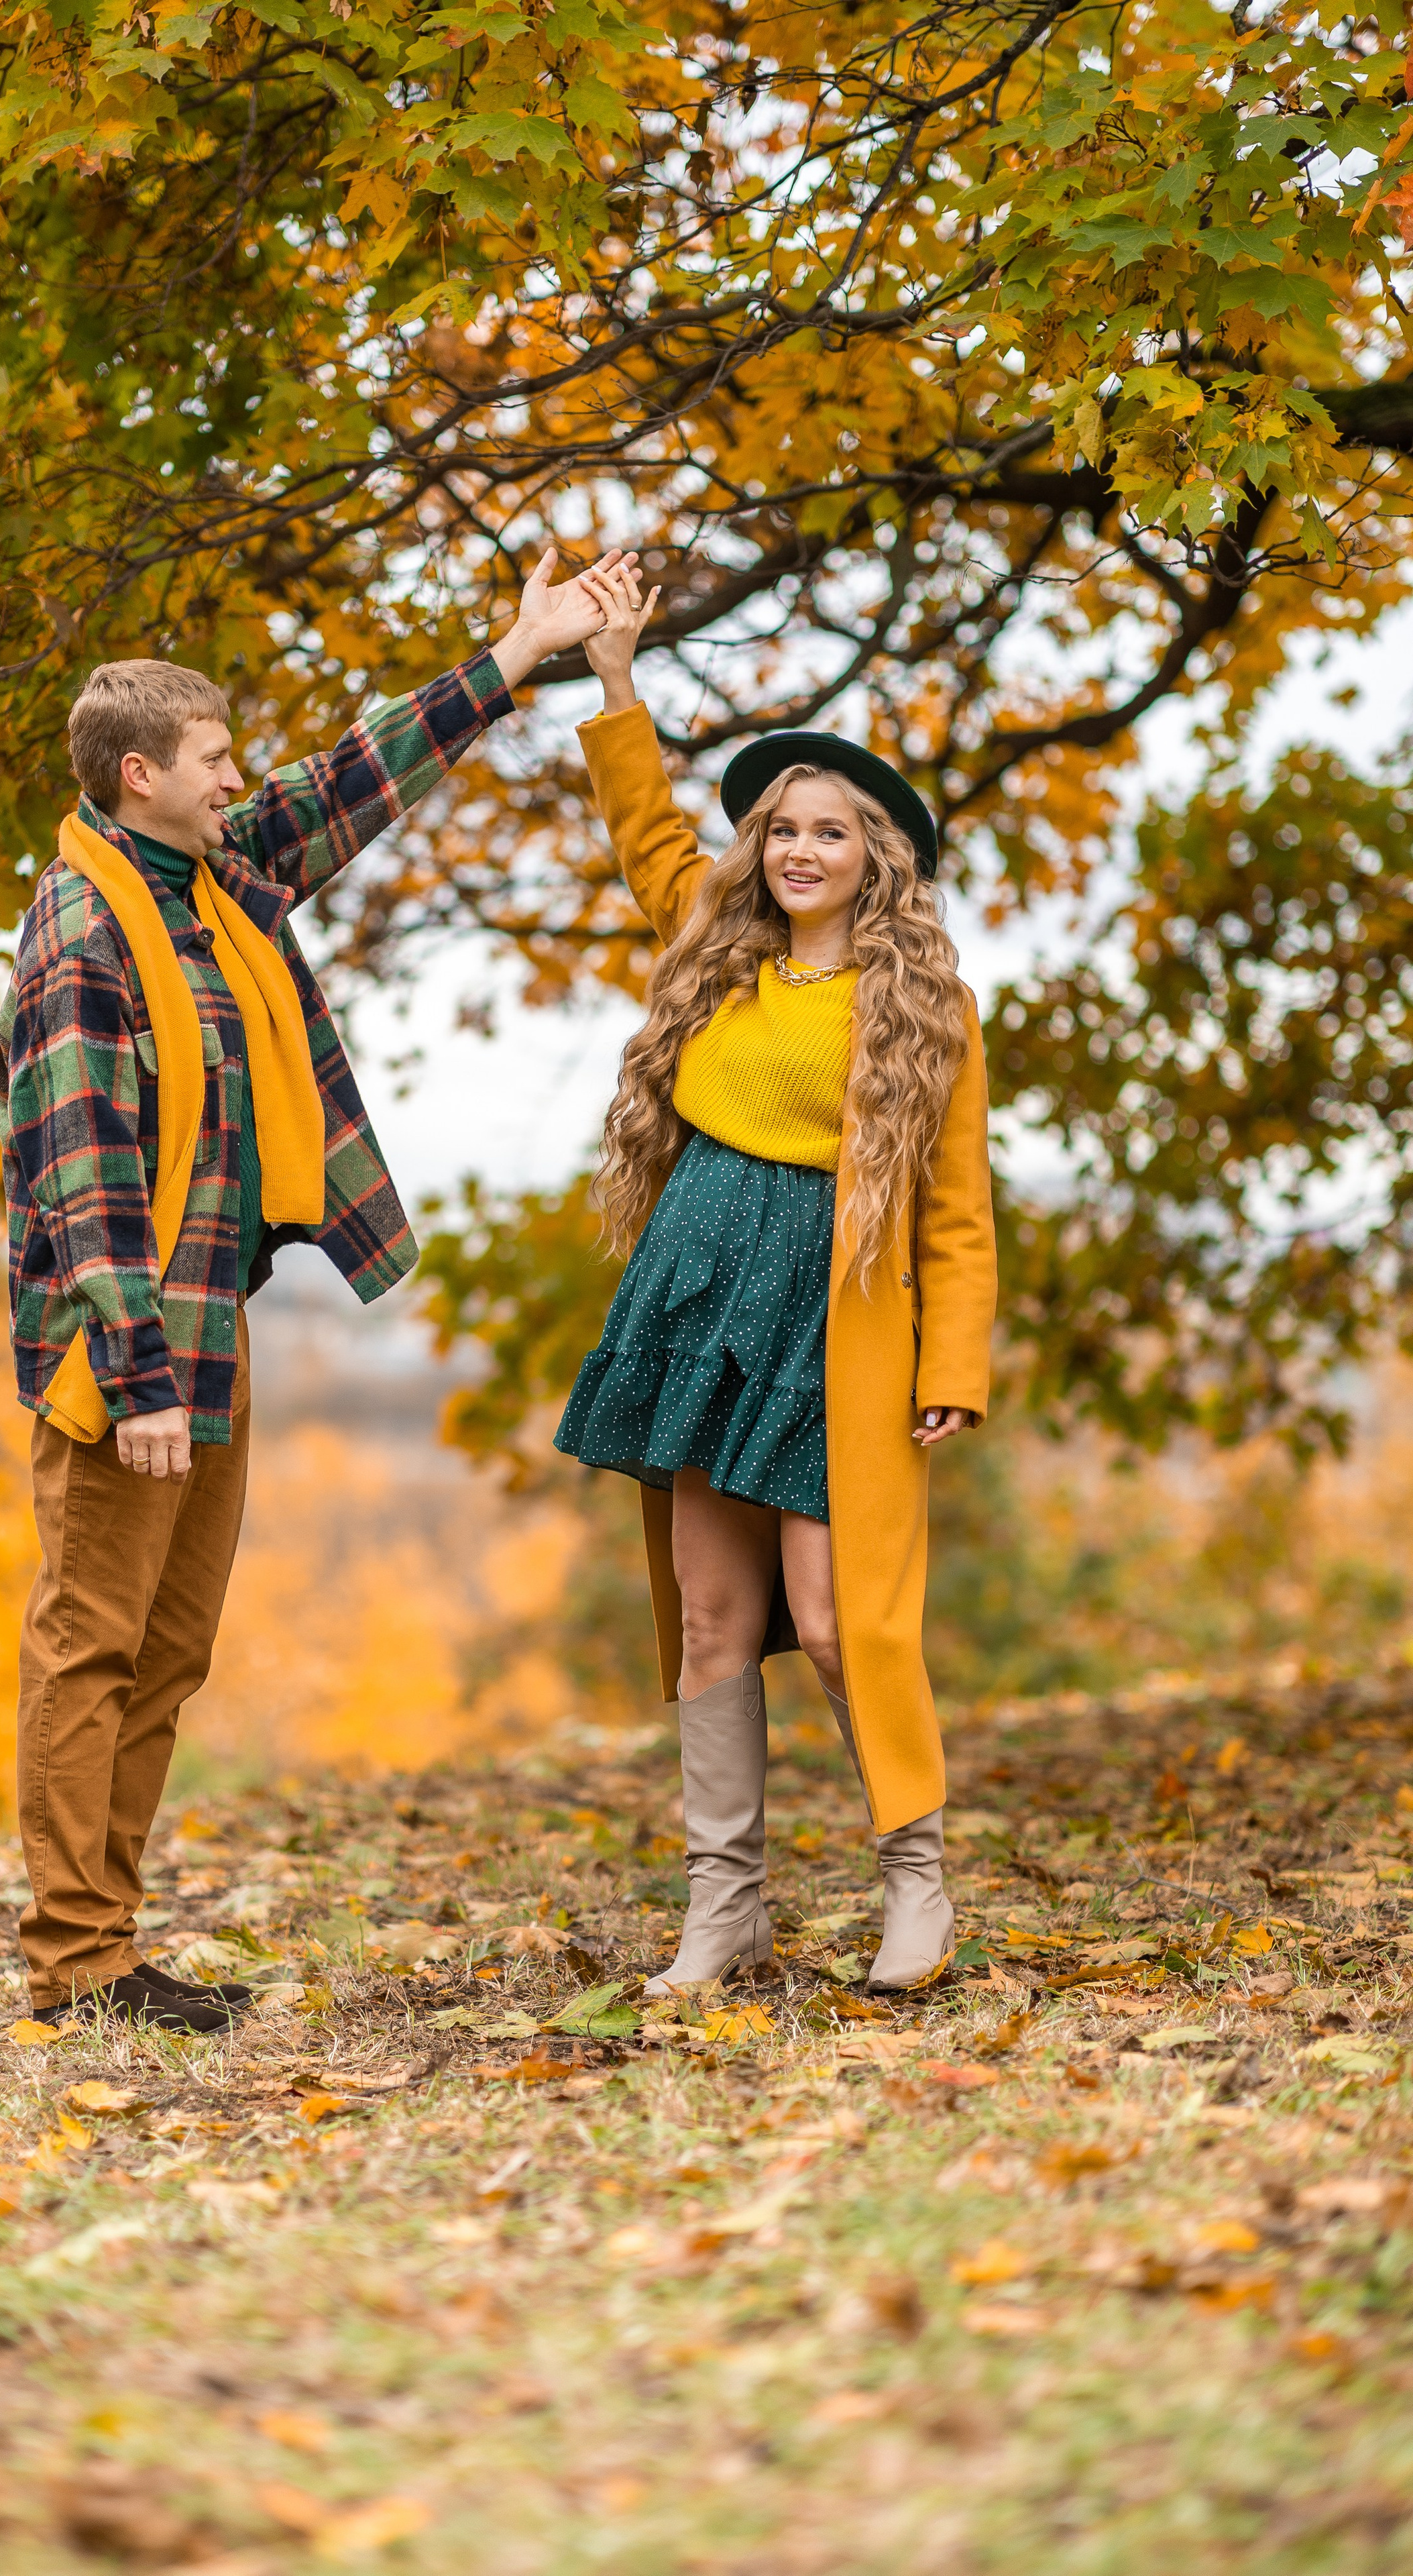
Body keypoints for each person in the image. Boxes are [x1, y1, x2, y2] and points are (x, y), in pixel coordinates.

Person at [0, 547, 635, 2030]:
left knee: (170, 1648)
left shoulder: (213, 882)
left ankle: (108, 1948)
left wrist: (520, 652)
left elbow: (351, 781)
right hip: (127, 1352)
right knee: (92, 1644)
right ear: (141, 774)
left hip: (207, 1324)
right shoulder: (85, 931)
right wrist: (139, 1380)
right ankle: (74, 1961)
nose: (239, 780)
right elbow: (79, 1172)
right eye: (215, 760)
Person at [555, 559, 996, 1994]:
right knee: (712, 1617)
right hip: (699, 1309)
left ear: (876, 857)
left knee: (836, 1616)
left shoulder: (923, 1005)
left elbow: (957, 1212)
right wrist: (614, 678)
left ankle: (915, 1885)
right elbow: (643, 829)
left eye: (830, 832)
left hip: (833, 1324)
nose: (802, 851)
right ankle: (724, 1915)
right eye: (783, 829)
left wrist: (952, 1365)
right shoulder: (717, 951)